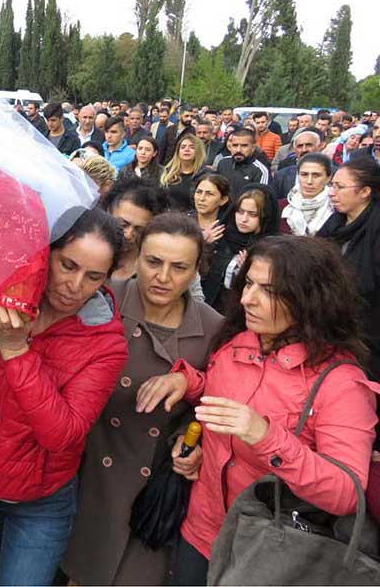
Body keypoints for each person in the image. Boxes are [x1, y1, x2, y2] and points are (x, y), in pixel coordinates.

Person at [143, 236, 380, 585]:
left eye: (268, 290)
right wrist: (188, 383)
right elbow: (221, 395)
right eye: (248, 283)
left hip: (269, 552)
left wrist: (267, 437)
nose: (247, 299)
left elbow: (347, 493)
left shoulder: (341, 383)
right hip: (200, 532)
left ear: (308, 299)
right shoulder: (238, 343)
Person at [0, 207, 129, 586]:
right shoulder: (3, 294)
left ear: (108, 279)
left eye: (93, 276)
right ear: (47, 254)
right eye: (68, 265)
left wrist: (15, 350)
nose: (74, 285)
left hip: (40, 503)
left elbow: (62, 435)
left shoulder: (106, 344)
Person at [63, 213, 222, 585]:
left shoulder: (213, 328)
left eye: (179, 267)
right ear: (138, 257)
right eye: (153, 262)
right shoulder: (103, 299)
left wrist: (190, 438)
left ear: (197, 270)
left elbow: (215, 402)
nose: (163, 278)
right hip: (89, 477)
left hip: (152, 494)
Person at [318, 157, 380, 380]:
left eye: (340, 187)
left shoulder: (375, 227)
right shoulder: (335, 223)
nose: (332, 193)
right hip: (333, 328)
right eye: (332, 185)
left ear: (365, 191)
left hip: (369, 334)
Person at [201, 185, 279, 313]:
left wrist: (248, 271)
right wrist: (204, 246)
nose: (243, 219)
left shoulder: (271, 249)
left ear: (265, 216)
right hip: (209, 308)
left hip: (241, 313)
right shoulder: (219, 235)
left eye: (253, 214)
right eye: (240, 212)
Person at [101, 178, 170, 281]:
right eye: (123, 224)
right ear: (108, 212)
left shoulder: (156, 268)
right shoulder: (85, 248)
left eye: (139, 230)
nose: (128, 234)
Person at [279, 153, 333, 236]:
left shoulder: (337, 208)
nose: (309, 181)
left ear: (328, 178)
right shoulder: (281, 207)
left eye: (316, 175)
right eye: (304, 174)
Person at [215, 128, 271, 199]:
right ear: (230, 146)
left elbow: (261, 200)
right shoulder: (223, 163)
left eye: (244, 146)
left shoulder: (260, 171)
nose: (238, 150)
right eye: (235, 145)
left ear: (253, 148)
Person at [160, 133, 210, 212]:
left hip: (192, 220)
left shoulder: (206, 175)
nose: (186, 149)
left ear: (198, 151)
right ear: (178, 152)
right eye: (183, 147)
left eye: (192, 147)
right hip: (167, 218)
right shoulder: (167, 172)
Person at [192, 174, 231, 245]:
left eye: (209, 194)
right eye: (199, 192)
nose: (201, 198)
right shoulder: (182, 223)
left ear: (223, 200)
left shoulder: (229, 228)